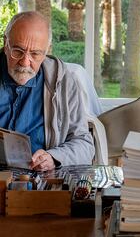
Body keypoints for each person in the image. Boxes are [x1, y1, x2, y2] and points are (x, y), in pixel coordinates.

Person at [0, 11, 94, 171]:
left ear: (46, 51)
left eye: (35, 54)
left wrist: (54, 157)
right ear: (5, 43)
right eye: (18, 51)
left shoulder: (64, 81)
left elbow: (85, 145)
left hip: (39, 179)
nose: (25, 62)